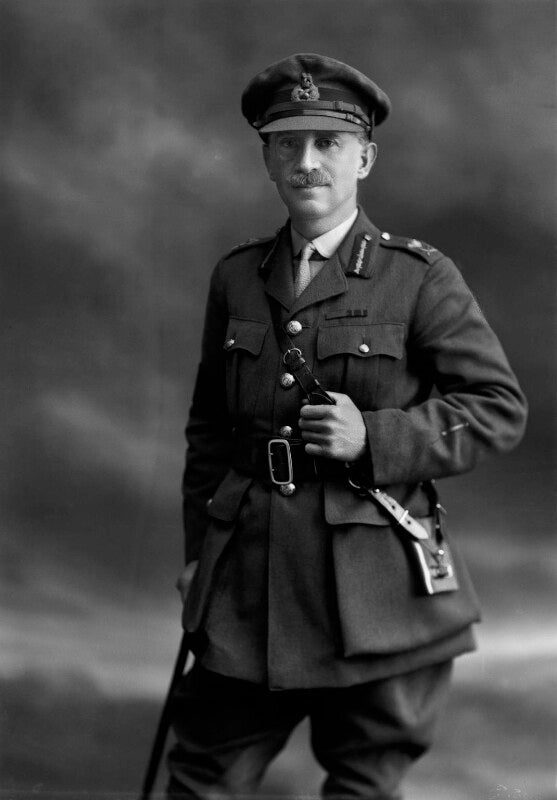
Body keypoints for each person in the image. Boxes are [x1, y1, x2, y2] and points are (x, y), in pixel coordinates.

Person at [167, 53, 527, 799]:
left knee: (364, 784)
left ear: (364, 157)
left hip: (375, 589)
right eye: (287, 144)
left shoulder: (418, 278)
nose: (307, 162)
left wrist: (376, 439)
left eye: (327, 142)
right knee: (203, 778)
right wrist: (200, 554)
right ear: (267, 158)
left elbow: (497, 407)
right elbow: (209, 431)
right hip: (249, 582)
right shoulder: (236, 277)